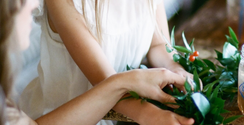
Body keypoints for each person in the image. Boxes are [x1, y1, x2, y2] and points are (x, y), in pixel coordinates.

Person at [0, 0, 194, 124]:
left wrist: (175, 69)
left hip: (122, 112)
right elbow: (105, 81)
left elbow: (160, 44)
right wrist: (151, 115)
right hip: (68, 114)